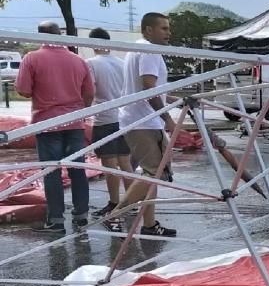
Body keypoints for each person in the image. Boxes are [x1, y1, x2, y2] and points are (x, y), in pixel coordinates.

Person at [14, 21, 94, 232]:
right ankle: (81, 215)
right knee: (78, 170)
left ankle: (56, 220)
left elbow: (23, 90)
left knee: (52, 172)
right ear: (61, 35)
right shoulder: (78, 60)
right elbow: (90, 92)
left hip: (48, 123)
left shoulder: (32, 58)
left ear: (40, 36)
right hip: (75, 122)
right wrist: (79, 111)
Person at [107, 12, 177, 237]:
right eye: (164, 28)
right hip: (144, 120)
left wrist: (173, 100)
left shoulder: (136, 48)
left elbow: (146, 88)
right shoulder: (150, 50)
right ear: (148, 30)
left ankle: (149, 225)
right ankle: (115, 215)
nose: (168, 33)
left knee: (152, 173)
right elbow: (149, 86)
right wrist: (168, 118)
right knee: (154, 170)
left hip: (137, 118)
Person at [86, 27, 134, 217]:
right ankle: (132, 200)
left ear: (92, 43)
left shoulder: (91, 64)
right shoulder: (122, 64)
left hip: (104, 118)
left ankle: (114, 202)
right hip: (124, 117)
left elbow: (90, 90)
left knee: (109, 163)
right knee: (125, 161)